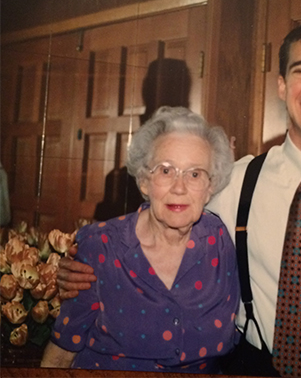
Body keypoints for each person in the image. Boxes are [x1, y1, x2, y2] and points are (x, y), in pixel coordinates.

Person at [55, 16, 301, 376]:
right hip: (249, 366)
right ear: (282, 86)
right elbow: (164, 210)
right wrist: (85, 265)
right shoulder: (236, 179)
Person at [41, 106, 240, 373]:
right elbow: (62, 351)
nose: (179, 188)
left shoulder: (221, 240)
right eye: (166, 171)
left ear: (210, 187)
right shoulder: (101, 246)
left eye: (194, 174)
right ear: (145, 181)